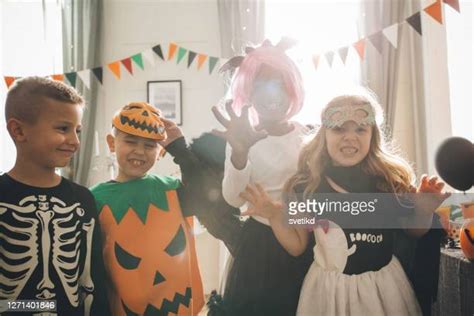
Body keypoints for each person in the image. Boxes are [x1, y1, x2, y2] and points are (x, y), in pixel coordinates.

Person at [240, 88, 450, 315]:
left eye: (361, 129)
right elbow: (297, 245)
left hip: (382, 290)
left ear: (373, 136)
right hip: (328, 292)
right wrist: (273, 216)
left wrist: (424, 210)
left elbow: (413, 231)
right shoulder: (307, 187)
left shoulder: (387, 182)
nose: (350, 137)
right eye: (339, 129)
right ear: (324, 135)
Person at [211, 38, 313, 316]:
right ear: (249, 93)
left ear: (293, 88)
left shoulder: (309, 135)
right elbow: (232, 199)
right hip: (260, 246)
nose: (272, 94)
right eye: (261, 85)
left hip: (304, 236)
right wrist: (240, 154)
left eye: (279, 84)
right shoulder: (241, 138)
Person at [0, 77, 109, 315]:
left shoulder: (82, 199)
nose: (75, 141)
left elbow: (94, 281)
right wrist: (44, 305)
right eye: (62, 128)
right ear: (18, 130)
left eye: (77, 130)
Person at [90, 102, 205, 316]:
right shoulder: (95, 199)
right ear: (112, 143)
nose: (140, 151)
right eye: (130, 141)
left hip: (179, 306)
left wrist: (180, 148)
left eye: (150, 145)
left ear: (160, 150)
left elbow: (204, 195)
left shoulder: (172, 190)